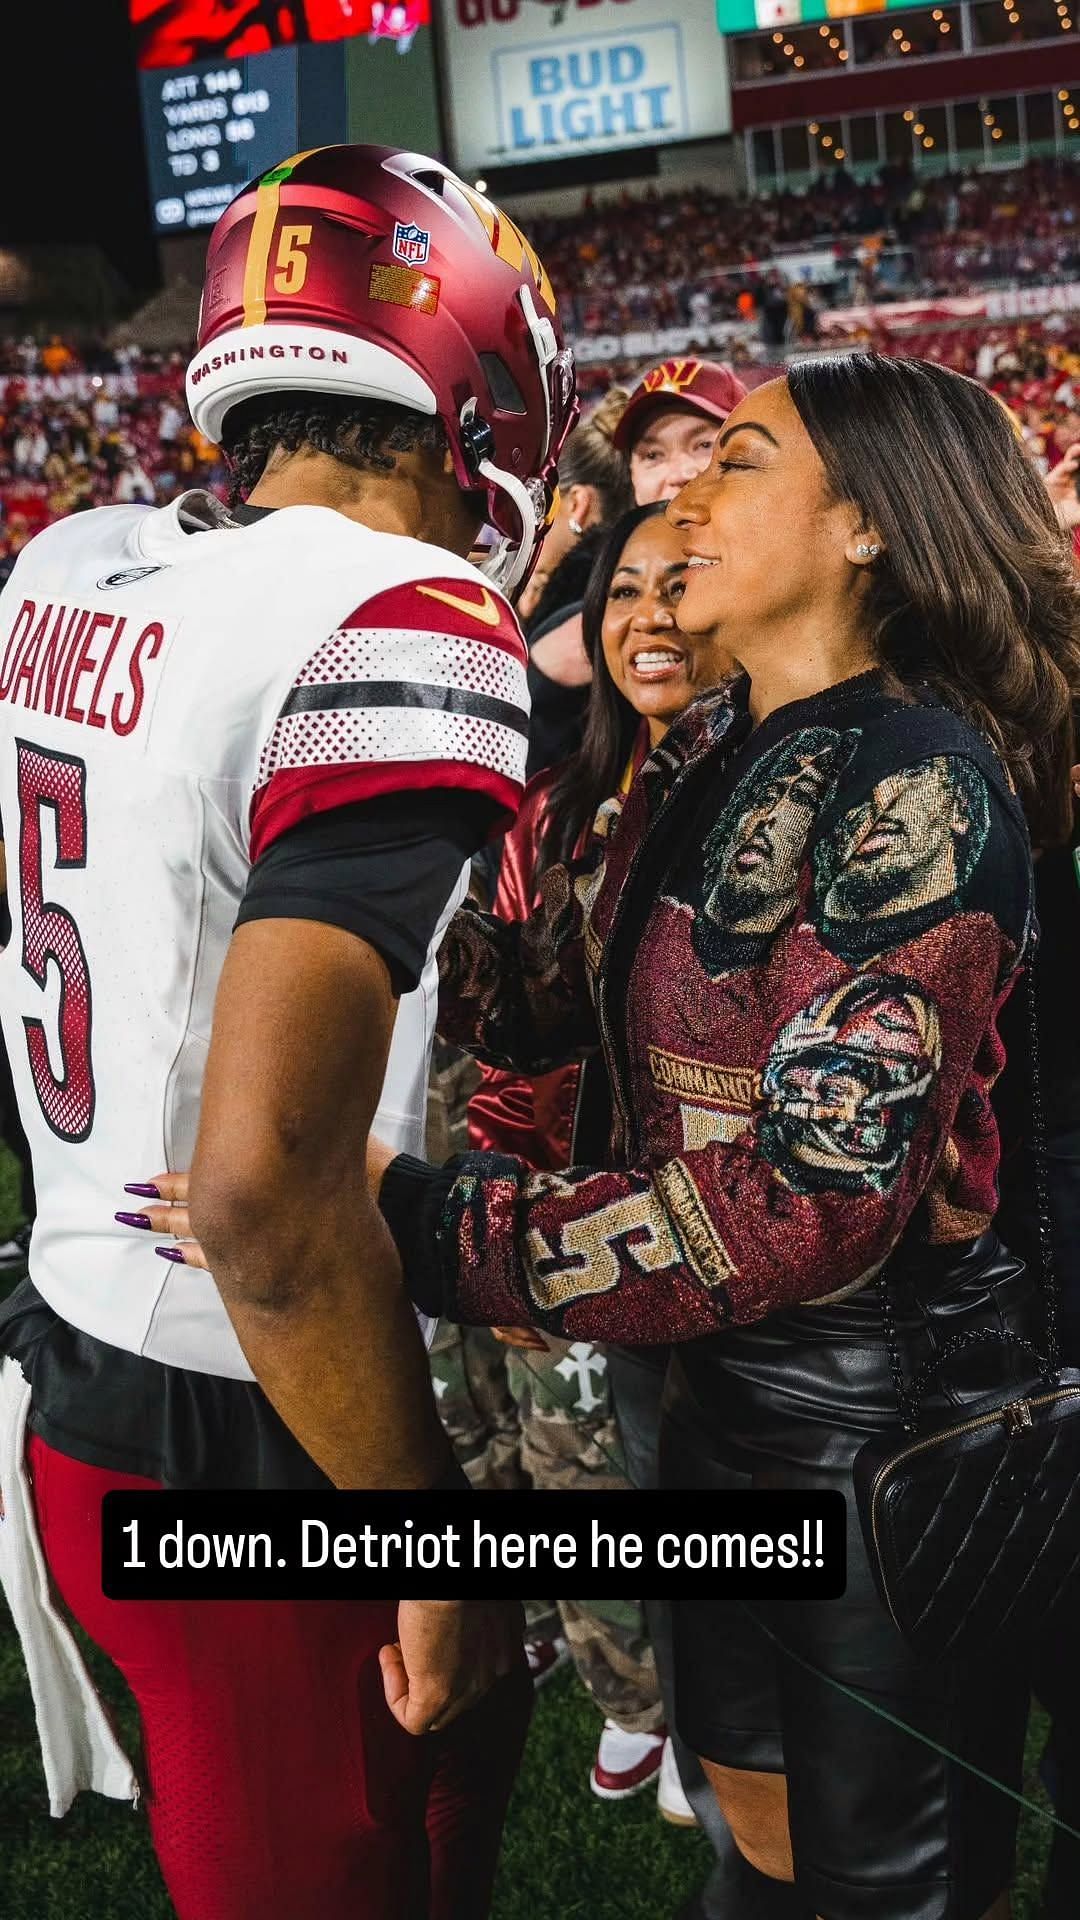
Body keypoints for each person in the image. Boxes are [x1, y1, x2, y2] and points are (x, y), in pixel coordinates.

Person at [370, 355, 1078, 1920]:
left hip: (874, 1434)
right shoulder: (713, 743)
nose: (682, 498)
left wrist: (435, 1228)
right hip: (720, 1396)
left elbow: (808, 1204)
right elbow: (558, 1007)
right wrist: (382, 862)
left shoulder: (922, 776)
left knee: (893, 1882)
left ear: (869, 529)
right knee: (751, 1819)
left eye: (737, 462)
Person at [0, 144, 576, 1920]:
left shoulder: (71, 566)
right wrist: (433, 1543)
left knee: (441, 1795)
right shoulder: (403, 610)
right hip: (253, 1394)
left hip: (81, 1344)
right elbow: (260, 1193)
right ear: (470, 359)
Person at [437, 503, 715, 1813]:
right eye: (623, 593)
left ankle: (708, 1702)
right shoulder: (547, 809)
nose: (650, 616)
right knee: (583, 1455)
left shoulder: (801, 783)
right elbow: (509, 1051)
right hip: (584, 1211)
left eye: (685, 585)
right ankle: (635, 1689)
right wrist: (515, 1205)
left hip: (739, 1233)